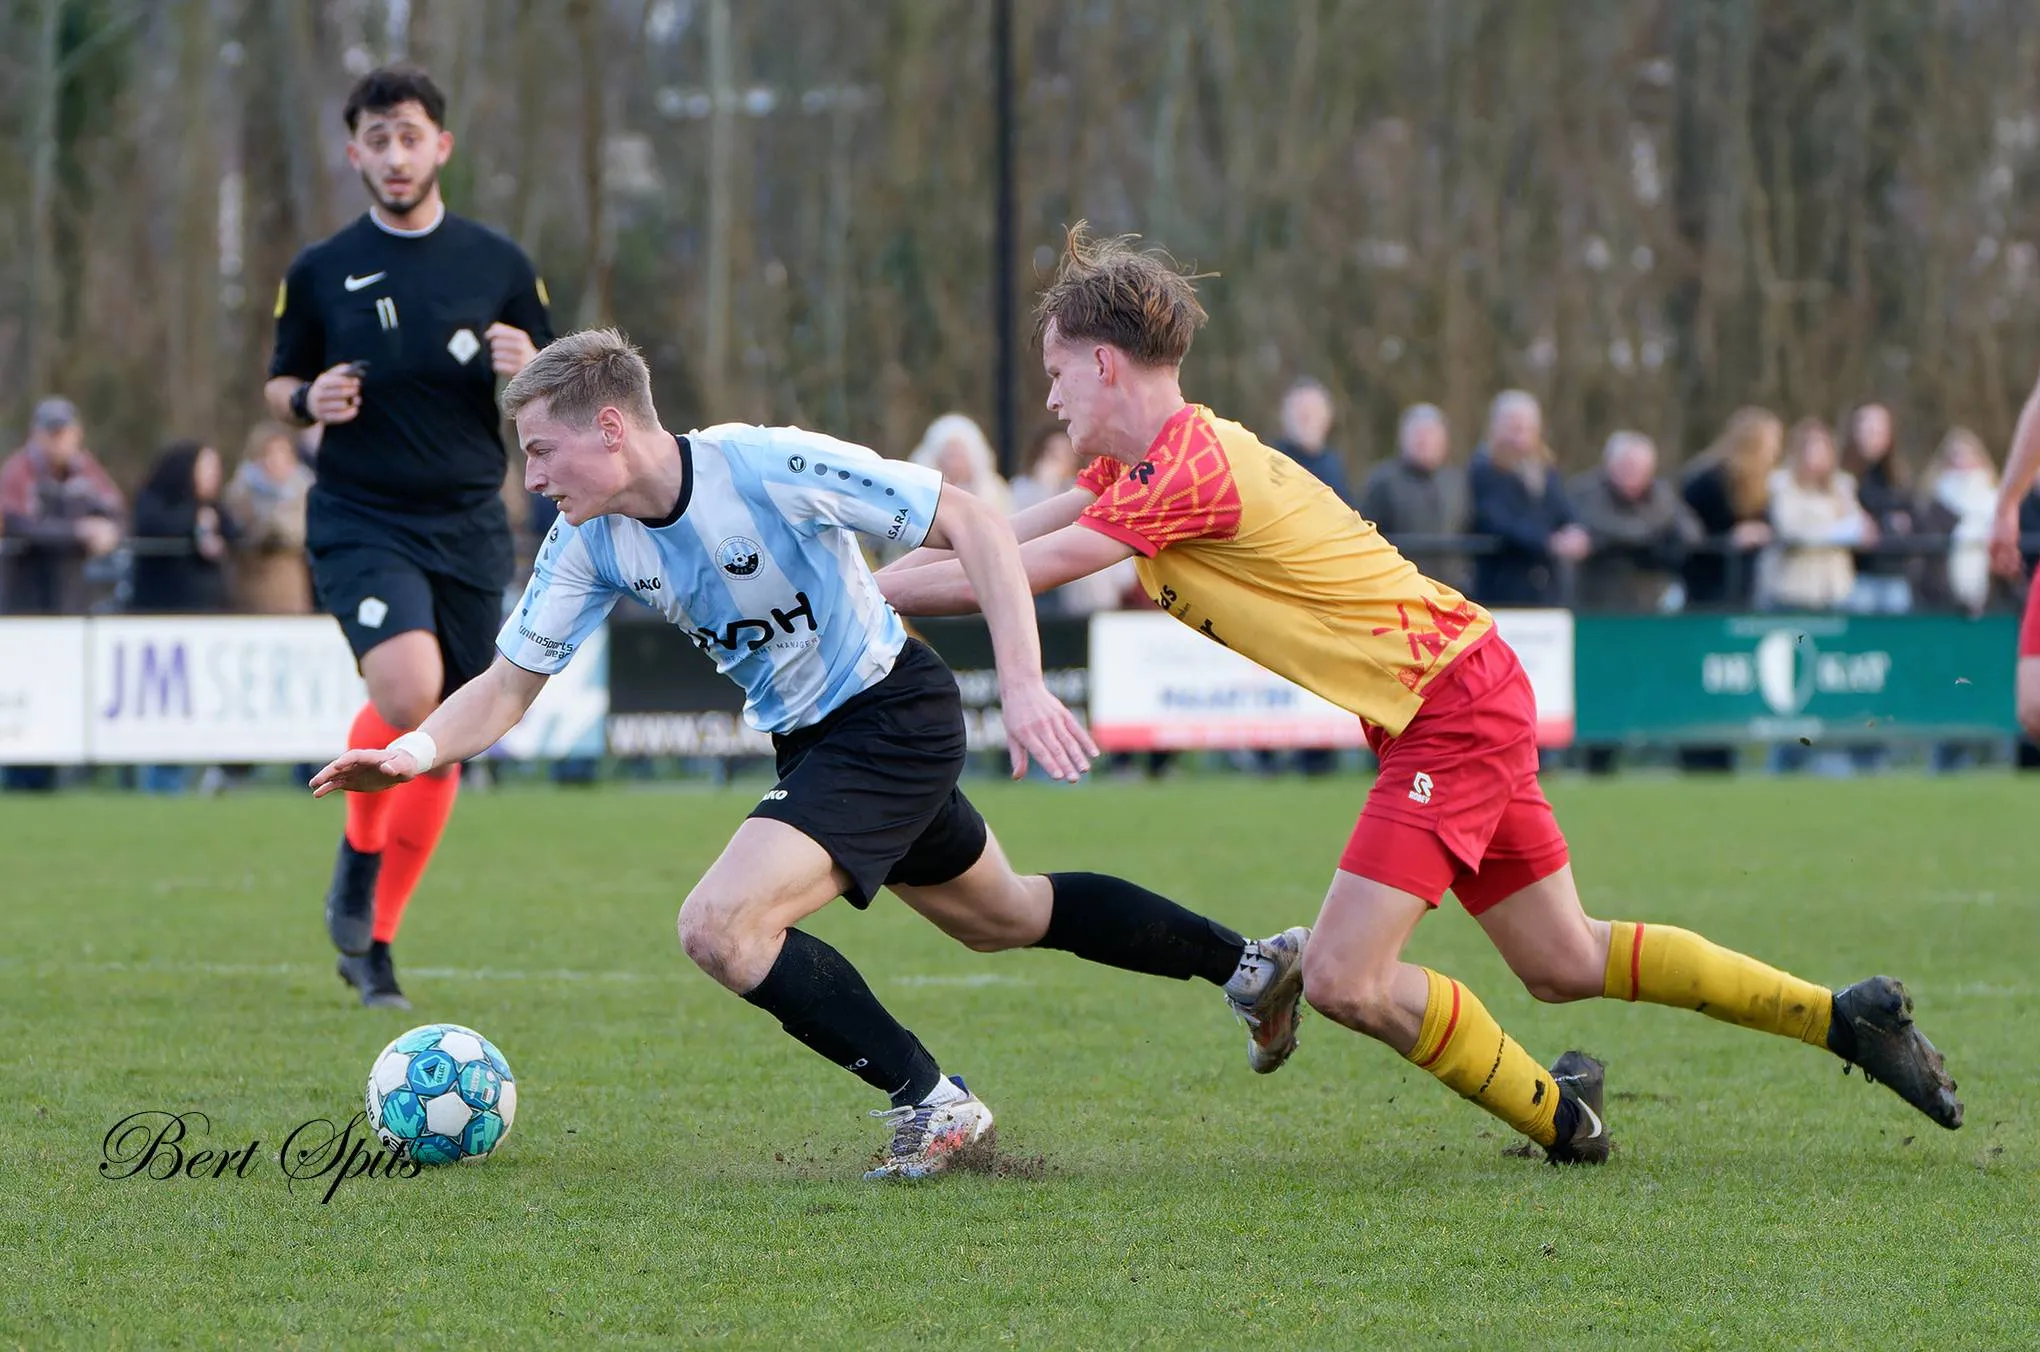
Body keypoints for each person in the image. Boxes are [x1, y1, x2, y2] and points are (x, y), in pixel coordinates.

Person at [879, 224, 1963, 1164]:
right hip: (1457, 687)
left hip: (1449, 703)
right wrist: (852, 581)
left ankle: (1563, 1118)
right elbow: (982, 539)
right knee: (1564, 958)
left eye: (1057, 369)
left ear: (1106, 363)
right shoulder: (1148, 465)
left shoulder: (1187, 471)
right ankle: (1843, 1019)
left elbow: (1010, 573)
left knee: (1348, 976)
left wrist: (850, 595)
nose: (1052, 392)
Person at [310, 329, 1309, 1180]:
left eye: (540, 450)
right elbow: (507, 684)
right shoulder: (588, 541)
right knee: (1009, 913)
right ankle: (1250, 965)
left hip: (893, 713)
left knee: (720, 924)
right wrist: (415, 748)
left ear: (609, 427)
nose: (529, 477)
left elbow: (967, 519)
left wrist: (1022, 681)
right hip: (816, 738)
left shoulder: (763, 463)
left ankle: (935, 1105)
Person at [264, 65, 554, 1009]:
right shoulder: (318, 270)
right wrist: (308, 399)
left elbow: (556, 394)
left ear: (443, 147)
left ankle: (374, 943)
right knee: (407, 687)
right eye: (377, 139)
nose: (395, 154)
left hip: (471, 519)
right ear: (355, 153)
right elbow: (278, 386)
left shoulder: (500, 264)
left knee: (446, 737)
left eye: (411, 136)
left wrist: (531, 369)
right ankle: (356, 855)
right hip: (362, 515)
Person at [0, 397, 125, 616]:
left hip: (72, 591)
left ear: (78, 434)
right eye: (51, 433)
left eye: (64, 432)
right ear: (35, 435)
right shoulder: (18, 471)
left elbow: (115, 509)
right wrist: (77, 532)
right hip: (23, 591)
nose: (58, 440)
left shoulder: (87, 469)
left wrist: (109, 530)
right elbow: (15, 523)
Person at [1468, 391, 1589, 606]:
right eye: (1513, 428)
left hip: (1547, 589)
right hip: (1503, 587)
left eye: (1526, 428)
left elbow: (1561, 508)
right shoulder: (1484, 470)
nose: (1519, 436)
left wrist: (1574, 530)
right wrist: (1548, 542)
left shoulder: (1545, 468)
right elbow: (1497, 520)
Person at [128, 440, 236, 614]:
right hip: (162, 606)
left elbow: (235, 531)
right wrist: (194, 521)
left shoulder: (213, 507)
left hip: (209, 607)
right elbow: (155, 527)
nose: (214, 476)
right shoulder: (154, 499)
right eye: (207, 468)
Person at [224, 421, 316, 614]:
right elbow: (239, 531)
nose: (275, 461)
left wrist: (278, 526)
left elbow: (301, 533)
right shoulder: (241, 491)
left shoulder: (304, 490)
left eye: (282, 453)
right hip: (250, 582)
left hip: (290, 584)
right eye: (269, 453)